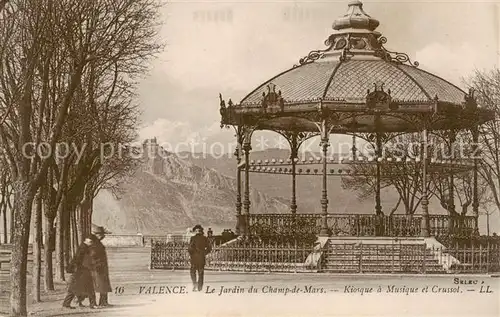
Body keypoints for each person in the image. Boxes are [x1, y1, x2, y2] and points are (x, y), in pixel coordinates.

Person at [62, 237, 97, 309]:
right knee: (89, 288)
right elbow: (77, 260)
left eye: (91, 241)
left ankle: (66, 304)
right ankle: (92, 304)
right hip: (82, 271)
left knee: (74, 288)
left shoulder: (84, 248)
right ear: (85, 241)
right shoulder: (84, 249)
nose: (91, 243)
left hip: (81, 271)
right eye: (89, 241)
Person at [88, 226, 113, 307]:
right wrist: (97, 264)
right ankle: (98, 303)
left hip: (101, 267)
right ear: (98, 234)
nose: (103, 236)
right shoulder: (95, 243)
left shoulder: (97, 242)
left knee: (103, 285)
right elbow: (93, 255)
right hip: (98, 268)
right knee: (98, 285)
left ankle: (103, 302)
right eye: (102, 234)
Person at [188, 224, 212, 292]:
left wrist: (192, 253)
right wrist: (204, 253)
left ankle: (195, 285)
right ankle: (199, 287)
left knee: (193, 272)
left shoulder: (193, 238)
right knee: (201, 272)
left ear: (196, 231)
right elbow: (209, 248)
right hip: (201, 257)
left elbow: (190, 248)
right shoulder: (205, 238)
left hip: (194, 258)